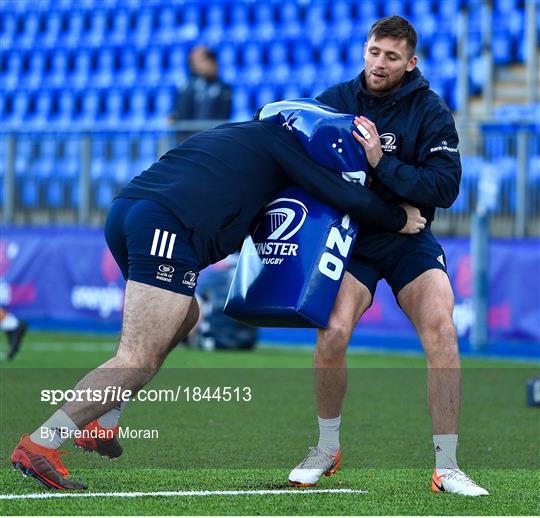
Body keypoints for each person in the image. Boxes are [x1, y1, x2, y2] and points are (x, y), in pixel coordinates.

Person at [11, 115, 426, 490]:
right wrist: (396, 219)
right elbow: (335, 192)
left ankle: (103, 420)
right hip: (167, 226)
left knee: (185, 316)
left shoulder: (241, 134)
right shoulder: (282, 140)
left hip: (126, 212)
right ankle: (41, 444)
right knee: (137, 358)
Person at [287, 16, 489, 496]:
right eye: (375, 52)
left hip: (409, 239)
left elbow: (444, 188)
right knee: (332, 331)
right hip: (353, 237)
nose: (380, 63)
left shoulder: (431, 111)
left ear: (411, 62)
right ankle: (326, 447)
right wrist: (388, 206)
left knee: (442, 328)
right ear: (365, 49)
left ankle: (448, 465)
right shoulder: (334, 102)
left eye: (392, 57)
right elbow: (306, 171)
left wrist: (382, 162)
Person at [168, 46, 232, 123]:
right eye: (193, 61)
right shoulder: (187, 87)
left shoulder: (224, 87)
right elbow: (179, 113)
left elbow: (223, 116)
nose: (197, 65)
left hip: (213, 132)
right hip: (189, 133)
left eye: (202, 60)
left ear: (213, 62)